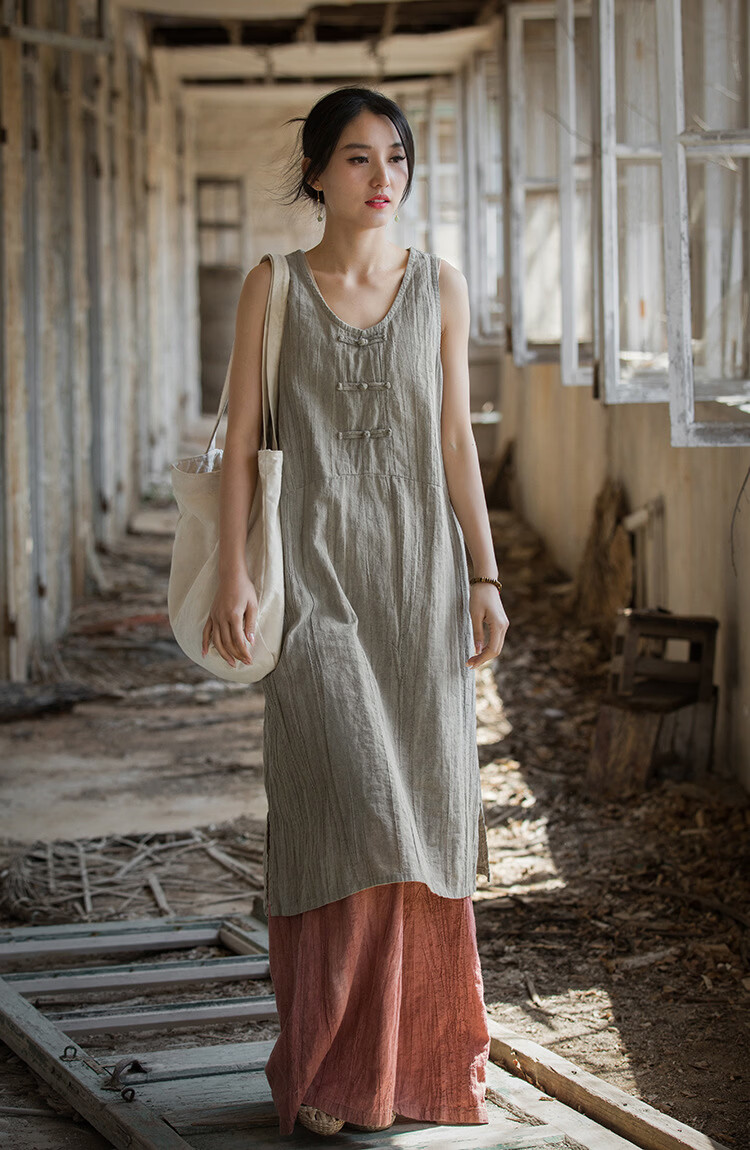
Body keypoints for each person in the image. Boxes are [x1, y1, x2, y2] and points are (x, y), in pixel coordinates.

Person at [201, 86, 509, 1138]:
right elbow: (242, 442)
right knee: (347, 805)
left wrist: (485, 575)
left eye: (397, 158)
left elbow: (456, 439)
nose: (384, 178)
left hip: (420, 583)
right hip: (315, 583)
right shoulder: (274, 286)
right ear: (318, 173)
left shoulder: (441, 286)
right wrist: (237, 574)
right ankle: (332, 1068)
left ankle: (411, 1070)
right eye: (358, 158)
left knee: (424, 811)